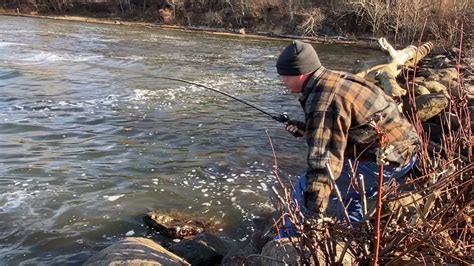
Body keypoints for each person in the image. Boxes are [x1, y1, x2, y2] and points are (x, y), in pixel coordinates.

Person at [276, 40, 420, 226]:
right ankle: (353, 229)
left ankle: (292, 239)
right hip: (406, 154)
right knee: (353, 194)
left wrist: (311, 213)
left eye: (285, 76)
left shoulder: (323, 101)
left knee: (304, 186)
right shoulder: (336, 78)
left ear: (301, 73)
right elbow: (346, 124)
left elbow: (324, 163)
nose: (283, 81)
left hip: (388, 164)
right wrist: (307, 128)